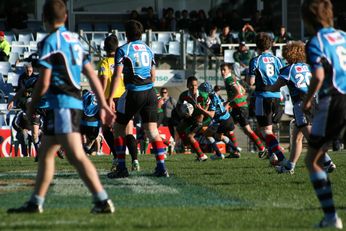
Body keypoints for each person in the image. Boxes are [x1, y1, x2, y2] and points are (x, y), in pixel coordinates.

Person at [7, 0, 115, 214]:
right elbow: (91, 75)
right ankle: (35, 202)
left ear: (45, 20)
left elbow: (44, 81)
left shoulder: (50, 41)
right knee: (47, 153)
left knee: (76, 155)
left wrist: (31, 107)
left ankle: (102, 200)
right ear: (65, 17)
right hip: (69, 104)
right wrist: (103, 103)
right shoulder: (75, 40)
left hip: (62, 105)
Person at [302, 0, 346, 228]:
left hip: (336, 100)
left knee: (314, 160)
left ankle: (331, 217)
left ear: (308, 20)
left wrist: (307, 101)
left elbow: (318, 76)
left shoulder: (315, 42)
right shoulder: (343, 36)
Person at [107, 19, 168, 178]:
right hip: (150, 93)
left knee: (119, 128)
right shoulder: (148, 49)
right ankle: (161, 167)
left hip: (133, 92)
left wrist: (110, 98)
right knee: (153, 131)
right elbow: (154, 76)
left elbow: (116, 75)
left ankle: (121, 167)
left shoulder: (123, 50)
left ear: (126, 34)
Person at [265, 41, 335, 174]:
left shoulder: (288, 69)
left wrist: (264, 87)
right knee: (297, 137)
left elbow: (275, 86)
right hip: (314, 101)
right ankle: (289, 167)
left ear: (289, 54)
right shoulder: (308, 67)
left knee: (310, 137)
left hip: (301, 104)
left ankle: (327, 161)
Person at [98, 34, 139, 173]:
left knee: (108, 130)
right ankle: (135, 160)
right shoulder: (124, 61)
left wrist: (103, 101)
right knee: (128, 131)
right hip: (125, 97)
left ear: (104, 47)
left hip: (110, 99)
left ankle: (117, 157)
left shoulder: (104, 62)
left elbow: (103, 82)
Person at [248, 32, 285, 165]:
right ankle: (273, 155)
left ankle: (279, 155)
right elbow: (283, 77)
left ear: (257, 46)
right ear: (270, 45)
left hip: (263, 97)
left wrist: (251, 78)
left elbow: (251, 82)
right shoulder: (277, 60)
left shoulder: (255, 60)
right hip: (277, 97)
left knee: (265, 131)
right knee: (267, 129)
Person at [221, 63, 267, 158]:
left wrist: (228, 102)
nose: (222, 72)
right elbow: (243, 90)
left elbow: (238, 91)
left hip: (240, 108)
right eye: (221, 70)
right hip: (238, 107)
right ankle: (236, 151)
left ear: (229, 70)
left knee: (247, 130)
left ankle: (262, 148)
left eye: (224, 70)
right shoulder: (232, 78)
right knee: (229, 128)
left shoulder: (229, 79)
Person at [196, 81, 239, 159]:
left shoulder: (212, 98)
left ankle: (219, 154)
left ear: (206, 91)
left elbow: (211, 114)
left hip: (221, 121)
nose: (200, 93)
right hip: (228, 118)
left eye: (202, 91)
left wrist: (201, 109)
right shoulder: (214, 94)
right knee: (220, 136)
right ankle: (236, 149)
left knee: (207, 134)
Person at [176, 76, 210, 161]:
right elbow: (178, 106)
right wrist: (182, 113)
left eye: (195, 85)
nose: (194, 87)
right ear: (187, 86)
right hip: (192, 116)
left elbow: (209, 105)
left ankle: (201, 155)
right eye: (191, 85)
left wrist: (202, 114)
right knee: (179, 128)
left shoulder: (203, 95)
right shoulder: (184, 95)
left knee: (190, 136)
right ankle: (186, 146)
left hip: (204, 118)